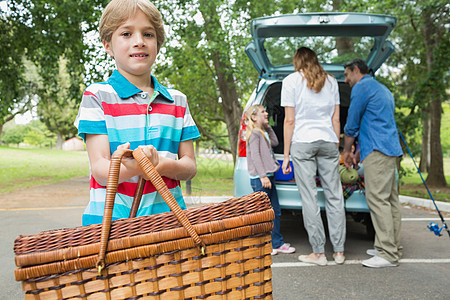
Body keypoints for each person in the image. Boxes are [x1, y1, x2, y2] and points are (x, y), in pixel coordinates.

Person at [74, 0, 200, 226]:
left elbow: (189, 166)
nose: (139, 42)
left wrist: (158, 165)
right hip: (110, 227)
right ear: (108, 45)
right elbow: (101, 170)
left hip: (169, 224)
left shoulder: (178, 100)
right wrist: (133, 167)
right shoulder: (97, 96)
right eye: (126, 33)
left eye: (148, 34)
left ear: (158, 44)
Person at [281, 47, 346, 266]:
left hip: (303, 142)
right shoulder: (332, 81)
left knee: (309, 197)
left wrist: (287, 155)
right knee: (335, 196)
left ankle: (319, 253)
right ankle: (339, 252)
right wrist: (336, 148)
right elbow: (336, 119)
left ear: (296, 61)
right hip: (328, 141)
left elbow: (289, 121)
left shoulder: (290, 81)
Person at [343, 58, 403, 268]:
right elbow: (372, 123)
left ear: (356, 70)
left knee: (377, 199)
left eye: (347, 74)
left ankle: (387, 254)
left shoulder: (362, 87)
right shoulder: (383, 89)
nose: (346, 79)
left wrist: (346, 150)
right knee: (390, 200)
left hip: (378, 151)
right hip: (390, 149)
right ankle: (391, 247)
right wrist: (359, 152)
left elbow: (353, 123)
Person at [245, 104, 295, 256]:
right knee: (264, 214)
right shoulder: (254, 134)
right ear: (254, 117)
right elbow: (255, 156)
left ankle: (276, 243)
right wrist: (262, 176)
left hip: (268, 177)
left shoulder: (262, 132)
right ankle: (265, 244)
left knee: (275, 212)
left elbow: (275, 143)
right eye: (262, 112)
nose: (266, 113)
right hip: (261, 179)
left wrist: (268, 127)